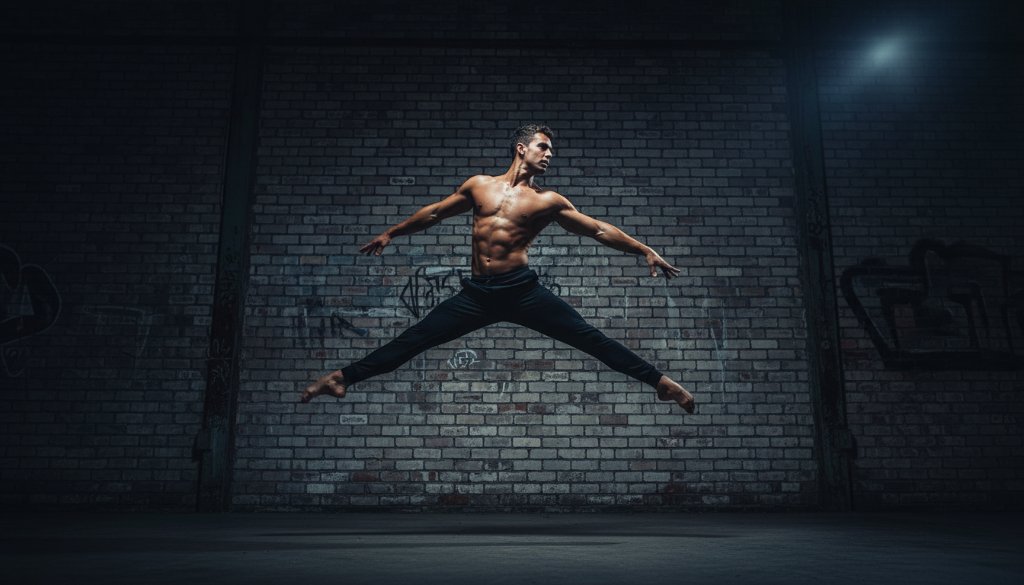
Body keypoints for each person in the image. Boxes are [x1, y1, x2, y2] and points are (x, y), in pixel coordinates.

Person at [301, 124, 695, 413]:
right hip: (478, 295)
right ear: (521, 148)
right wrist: (392, 233)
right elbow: (435, 212)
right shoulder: (479, 186)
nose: (549, 154)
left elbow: (598, 229)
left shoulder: (548, 202)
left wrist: (643, 250)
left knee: (590, 339)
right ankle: (340, 378)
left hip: (523, 292)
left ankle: (660, 384)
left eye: (551, 149)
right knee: (415, 339)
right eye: (543, 147)